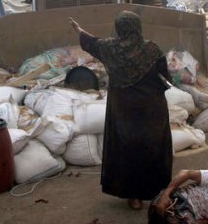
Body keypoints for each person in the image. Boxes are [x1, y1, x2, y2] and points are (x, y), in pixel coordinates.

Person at [68, 11, 173, 210]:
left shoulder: (109, 48)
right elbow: (165, 76)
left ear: (119, 28)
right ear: (137, 27)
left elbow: (90, 41)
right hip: (152, 108)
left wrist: (77, 28)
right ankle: (158, 191)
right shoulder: (151, 49)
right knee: (154, 146)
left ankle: (134, 196)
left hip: (124, 109)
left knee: (128, 150)